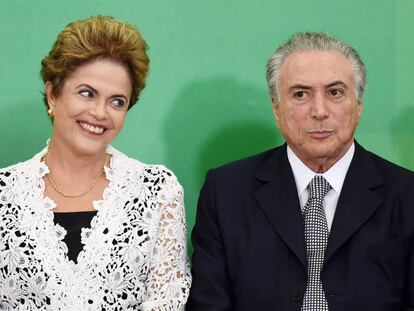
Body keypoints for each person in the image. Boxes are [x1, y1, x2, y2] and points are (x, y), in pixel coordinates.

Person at [187, 32, 414, 310]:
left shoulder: (407, 194)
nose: (319, 111)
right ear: (276, 109)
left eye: (335, 92)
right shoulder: (225, 192)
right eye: (300, 94)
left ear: (358, 106)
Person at [0, 16, 191, 310]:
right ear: (53, 94)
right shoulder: (4, 194)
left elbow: (167, 300)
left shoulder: (157, 191)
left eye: (117, 101)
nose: (100, 112)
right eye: (87, 93)